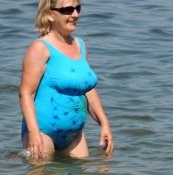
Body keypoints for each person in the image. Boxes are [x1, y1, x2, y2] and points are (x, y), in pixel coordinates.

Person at [19, 0, 113, 159]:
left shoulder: (80, 45)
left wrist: (104, 124)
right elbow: (25, 93)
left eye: (78, 8)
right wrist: (34, 133)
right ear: (50, 14)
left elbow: (87, 89)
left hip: (74, 135)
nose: (75, 14)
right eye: (68, 10)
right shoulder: (40, 48)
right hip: (42, 132)